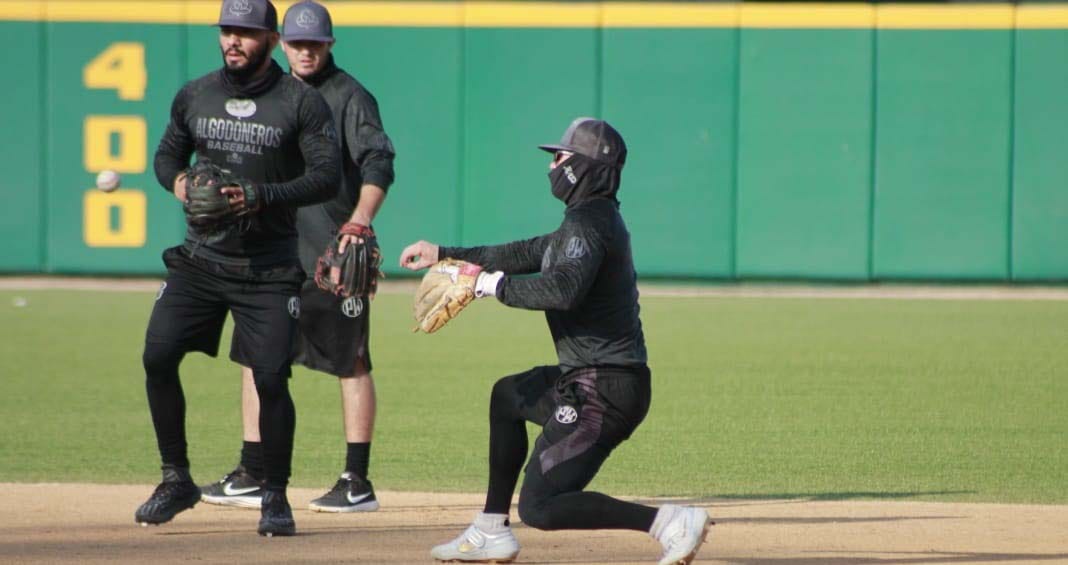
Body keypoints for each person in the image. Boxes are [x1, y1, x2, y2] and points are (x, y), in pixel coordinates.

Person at [399, 118, 712, 565]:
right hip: (591, 379)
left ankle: (667, 522)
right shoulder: (584, 222)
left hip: (603, 391)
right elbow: (521, 253)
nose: (552, 163)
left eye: (560, 155)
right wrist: (445, 253)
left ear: (584, 166)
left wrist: (489, 286)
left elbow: (563, 290)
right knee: (508, 396)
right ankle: (490, 529)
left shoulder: (589, 224)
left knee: (540, 507)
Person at [135, 0, 340, 537]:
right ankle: (176, 477)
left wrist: (262, 195)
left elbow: (326, 178)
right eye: (228, 30)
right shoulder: (196, 94)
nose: (234, 40)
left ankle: (274, 494)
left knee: (271, 378)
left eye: (246, 33)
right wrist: (178, 184)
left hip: (268, 269)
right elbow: (166, 157)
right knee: (158, 355)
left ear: (271, 40)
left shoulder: (300, 103)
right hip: (199, 260)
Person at [199, 0, 395, 514]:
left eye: (315, 43)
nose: (305, 51)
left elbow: (378, 163)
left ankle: (356, 480)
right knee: (252, 359)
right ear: (280, 43)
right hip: (267, 253)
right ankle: (252, 469)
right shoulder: (268, 95)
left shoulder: (350, 96)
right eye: (297, 42)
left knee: (350, 362)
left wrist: (359, 222)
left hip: (331, 253)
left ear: (329, 45)